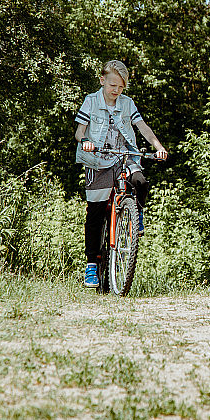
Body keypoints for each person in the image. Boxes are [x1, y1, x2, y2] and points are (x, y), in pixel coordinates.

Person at [74, 60, 168, 288]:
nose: (116, 90)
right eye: (112, 85)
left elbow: (142, 126)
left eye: (121, 87)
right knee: (95, 213)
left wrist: (158, 146)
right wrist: (85, 141)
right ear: (102, 81)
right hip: (97, 160)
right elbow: (79, 132)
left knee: (140, 181)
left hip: (124, 156)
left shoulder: (127, 104)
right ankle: (92, 266)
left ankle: (136, 216)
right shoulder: (91, 101)